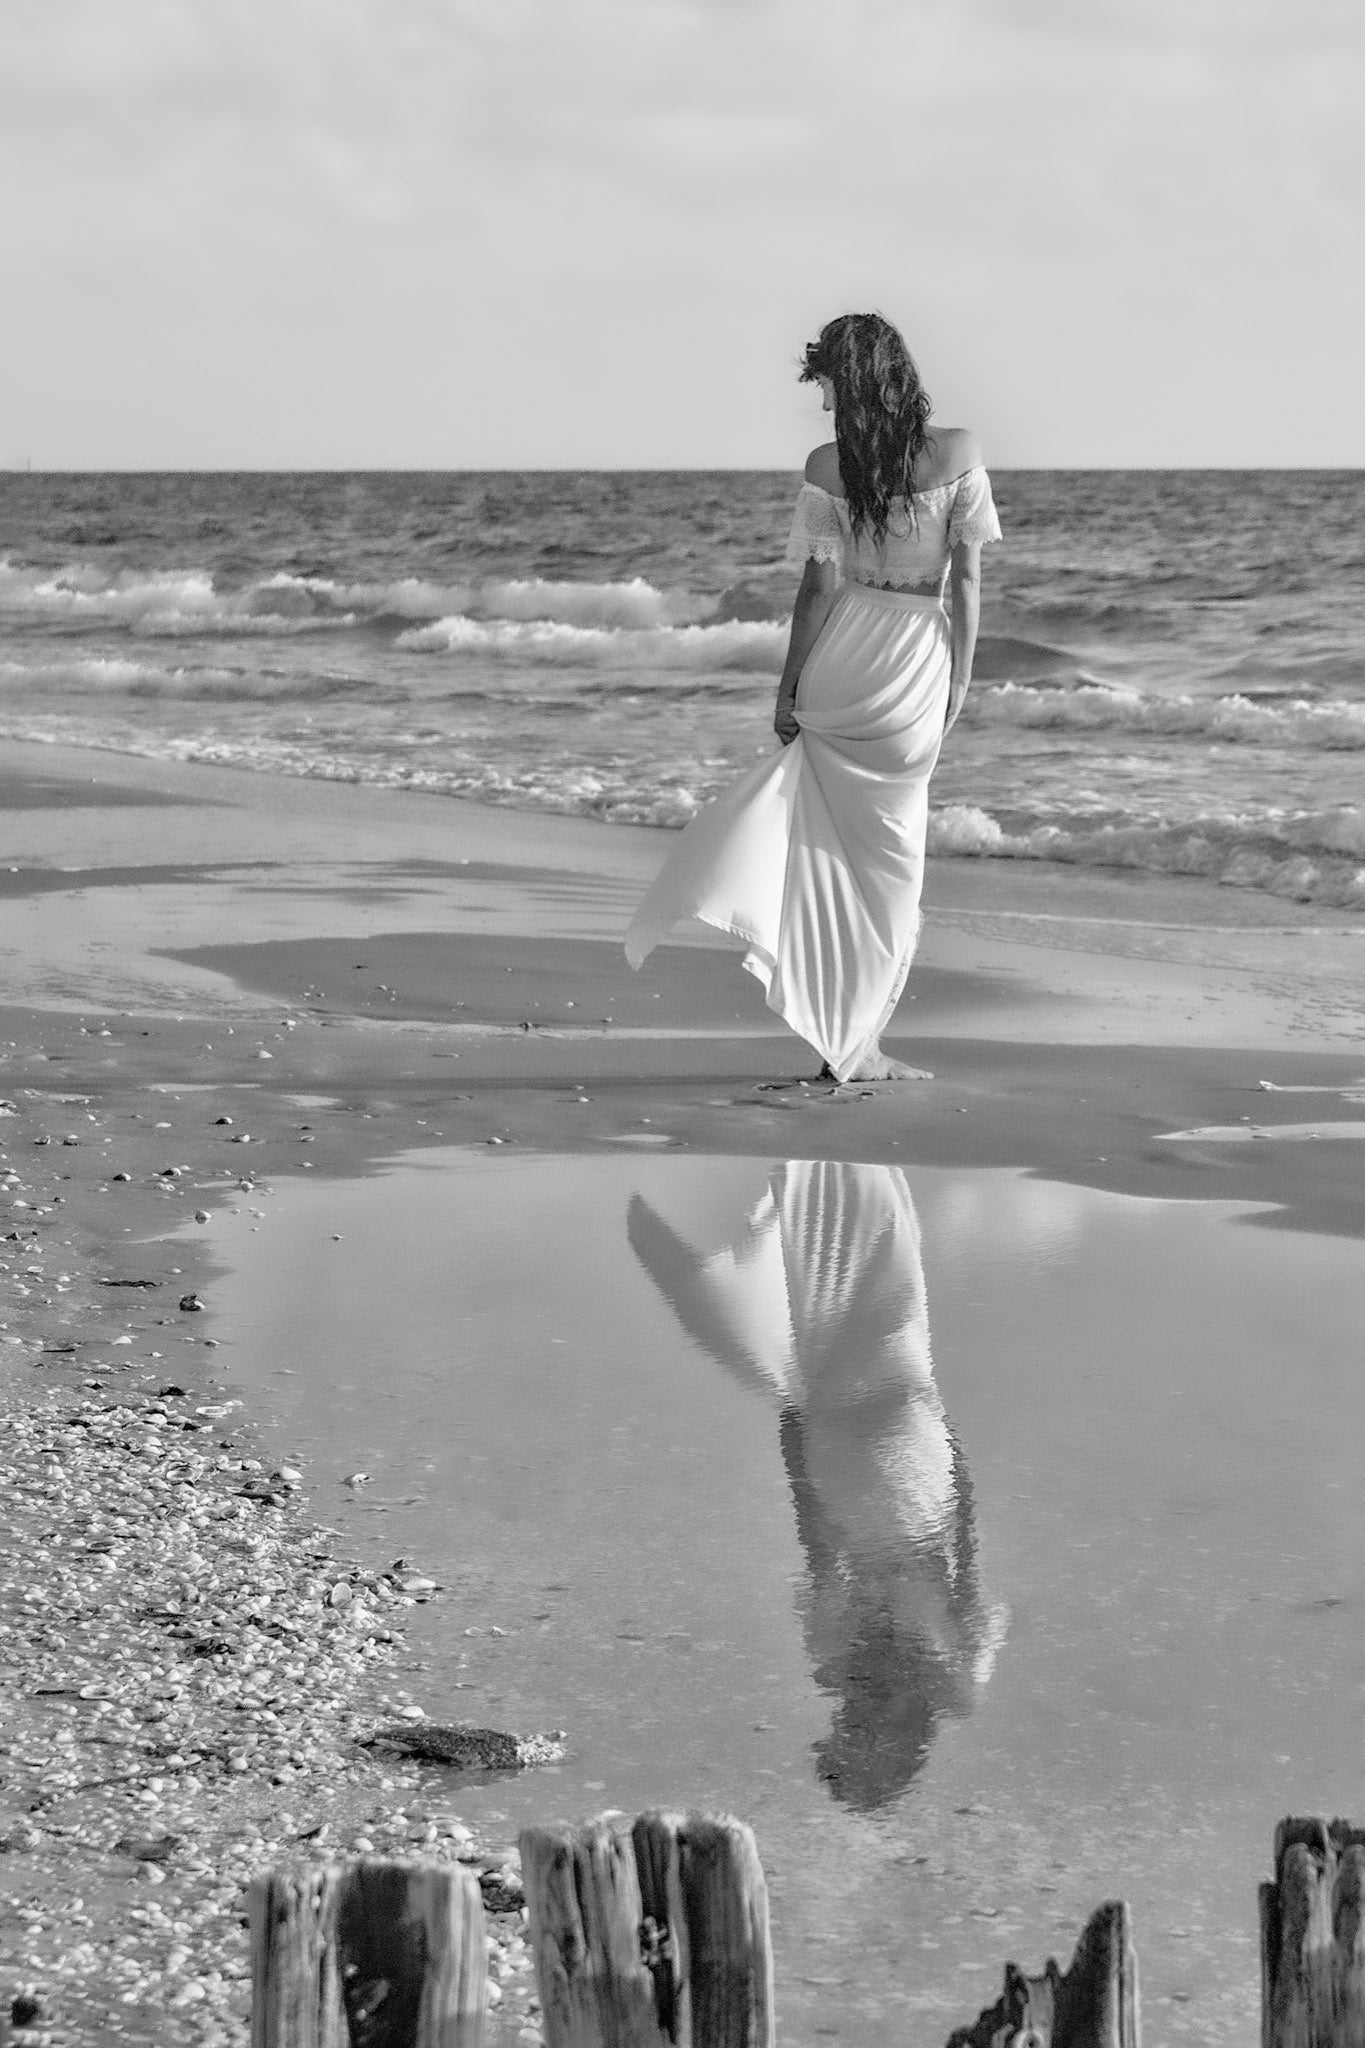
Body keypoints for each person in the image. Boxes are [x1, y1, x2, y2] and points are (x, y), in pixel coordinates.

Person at [624, 311, 1001, 1082]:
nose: (824, 402)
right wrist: (959, 677)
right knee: (891, 866)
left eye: (826, 382)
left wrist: (788, 689)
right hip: (911, 664)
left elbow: (818, 588)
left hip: (843, 657)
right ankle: (855, 1044)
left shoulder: (828, 466)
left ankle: (844, 1040)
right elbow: (963, 582)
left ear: (855, 381)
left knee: (818, 854)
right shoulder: (957, 453)